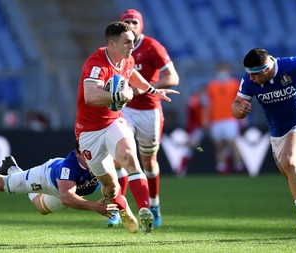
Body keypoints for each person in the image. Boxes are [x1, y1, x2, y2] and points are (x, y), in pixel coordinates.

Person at [74, 21, 179, 234]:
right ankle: (122, 209)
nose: (133, 46)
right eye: (127, 42)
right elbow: (91, 96)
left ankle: (144, 210)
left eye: (133, 41)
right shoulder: (97, 63)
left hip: (114, 121)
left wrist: (151, 90)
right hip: (89, 131)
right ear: (112, 44)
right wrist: (118, 95)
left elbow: (131, 74)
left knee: (131, 158)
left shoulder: (127, 58)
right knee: (109, 187)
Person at [106, 9, 180, 228]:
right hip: (124, 109)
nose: (131, 25)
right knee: (120, 158)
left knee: (148, 161)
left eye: (135, 22)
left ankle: (155, 206)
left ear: (141, 25)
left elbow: (172, 77)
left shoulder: (152, 47)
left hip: (149, 110)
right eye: (127, 22)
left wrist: (145, 89)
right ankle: (120, 209)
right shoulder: (115, 49)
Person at [0, 146, 119, 219]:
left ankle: (13, 168)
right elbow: (67, 198)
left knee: (41, 208)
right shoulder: (70, 166)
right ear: (79, 153)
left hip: (67, 191)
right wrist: (95, 206)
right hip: (45, 178)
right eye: (89, 154)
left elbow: (121, 174)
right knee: (1, 185)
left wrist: (116, 199)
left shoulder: (105, 159)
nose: (94, 157)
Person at [232, 48, 296, 232]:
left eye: (255, 75)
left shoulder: (293, 65)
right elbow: (236, 105)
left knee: (290, 162)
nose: (251, 79)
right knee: (289, 171)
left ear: (267, 68)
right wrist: (240, 109)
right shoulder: (248, 79)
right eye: (249, 75)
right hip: (277, 132)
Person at [204, 62, 244, 175]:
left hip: (231, 118)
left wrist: (242, 117)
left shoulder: (235, 84)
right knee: (219, 144)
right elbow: (208, 103)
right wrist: (206, 118)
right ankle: (221, 166)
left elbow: (240, 101)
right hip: (216, 119)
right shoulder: (212, 86)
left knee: (232, 142)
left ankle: (238, 165)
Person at [177, 85, 208, 177]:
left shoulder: (201, 101)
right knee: (194, 147)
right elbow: (194, 113)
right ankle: (181, 168)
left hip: (200, 127)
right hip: (195, 128)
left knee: (192, 147)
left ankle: (182, 168)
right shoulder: (194, 100)